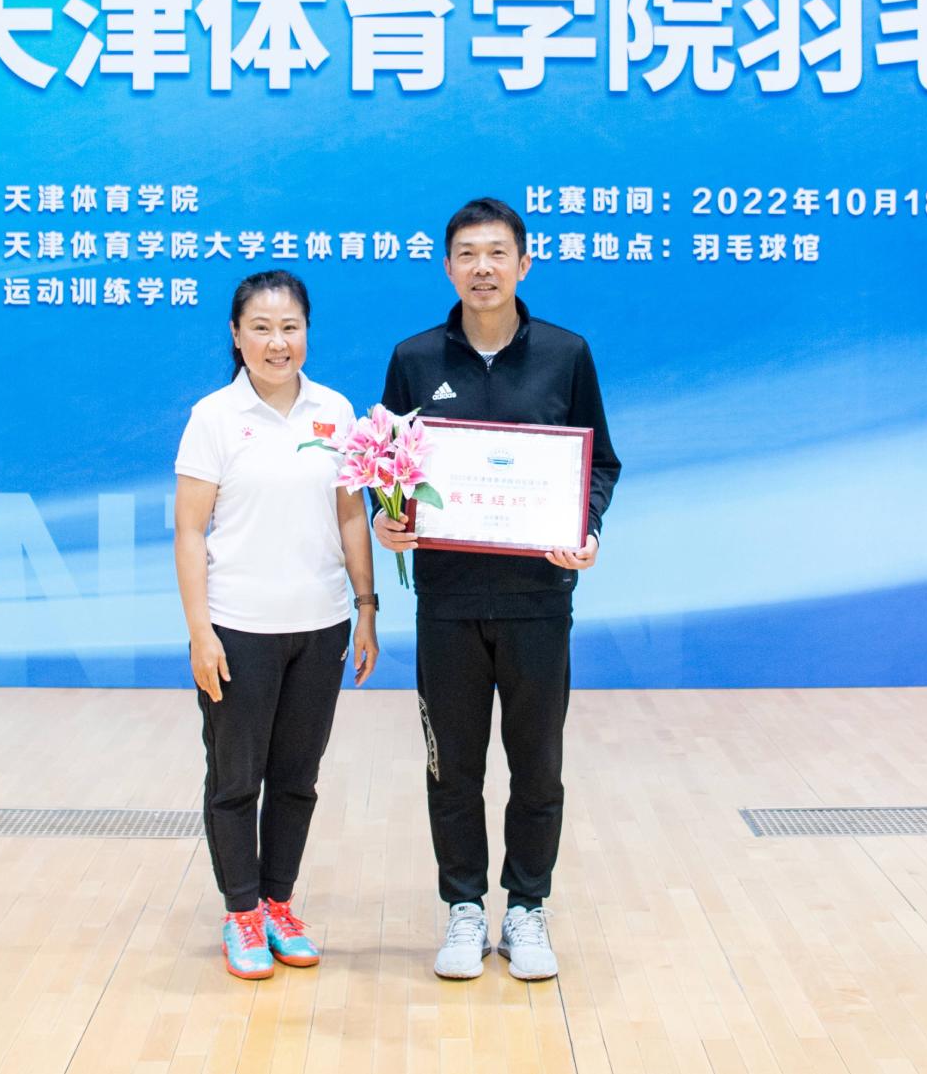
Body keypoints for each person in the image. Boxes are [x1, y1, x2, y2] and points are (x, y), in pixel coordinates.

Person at [373, 198, 621, 983]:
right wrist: (388, 518)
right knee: (453, 767)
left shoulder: (567, 354)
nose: (483, 267)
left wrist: (585, 527)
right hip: (447, 601)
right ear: (448, 267)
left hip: (538, 600)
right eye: (467, 254)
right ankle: (463, 906)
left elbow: (599, 463)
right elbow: (390, 469)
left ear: (524, 262)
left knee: (537, 765)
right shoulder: (414, 358)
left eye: (497, 252)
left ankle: (526, 907)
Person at [174, 269, 380, 981]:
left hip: (321, 626)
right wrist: (201, 631)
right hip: (238, 628)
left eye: (290, 327)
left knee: (297, 779)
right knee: (236, 779)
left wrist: (366, 606)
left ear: (307, 332)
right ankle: (241, 912)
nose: (277, 341)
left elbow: (351, 514)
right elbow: (190, 531)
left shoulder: (336, 411)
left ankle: (278, 904)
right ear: (236, 336)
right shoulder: (213, 417)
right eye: (260, 328)